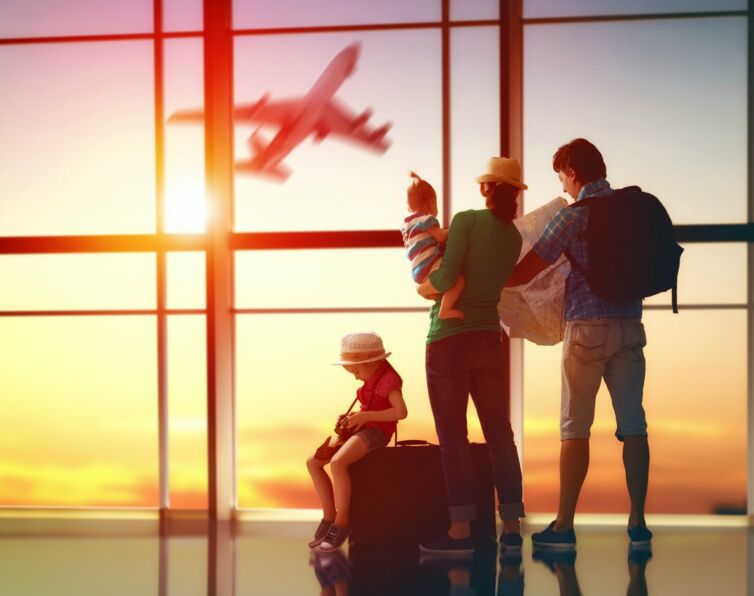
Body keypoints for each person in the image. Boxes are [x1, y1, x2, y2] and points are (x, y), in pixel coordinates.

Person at [506, 138, 652, 550]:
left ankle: (564, 525)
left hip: (586, 329)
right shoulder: (630, 210)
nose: (564, 188)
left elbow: (529, 268)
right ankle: (638, 522)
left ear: (572, 172)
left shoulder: (574, 216)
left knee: (575, 430)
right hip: (629, 327)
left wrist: (488, 282)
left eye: (562, 178)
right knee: (634, 426)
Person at [416, 156, 526, 556]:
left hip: (448, 339)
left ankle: (460, 530)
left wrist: (422, 287)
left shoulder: (465, 221)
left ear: (486, 189)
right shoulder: (512, 238)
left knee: (453, 439)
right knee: (500, 434)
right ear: (514, 194)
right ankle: (511, 526)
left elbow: (444, 279)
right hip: (488, 340)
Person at [306, 331, 407, 551]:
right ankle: (329, 516)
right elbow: (366, 409)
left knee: (338, 463)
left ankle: (342, 523)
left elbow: (400, 412)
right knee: (313, 462)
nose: (356, 376)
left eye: (356, 371)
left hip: (376, 432)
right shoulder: (371, 378)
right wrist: (351, 418)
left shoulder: (388, 380)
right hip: (362, 427)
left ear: (373, 362)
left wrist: (366, 416)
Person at [401, 171, 465, 319]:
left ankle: (441, 304)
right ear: (431, 203)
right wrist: (456, 229)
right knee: (459, 281)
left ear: (409, 209)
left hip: (418, 272)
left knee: (440, 291)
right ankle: (445, 310)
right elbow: (441, 237)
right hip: (431, 268)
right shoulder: (427, 220)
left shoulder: (407, 226)